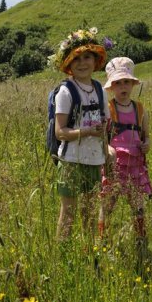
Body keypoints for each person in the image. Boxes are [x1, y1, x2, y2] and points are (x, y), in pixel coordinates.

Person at [52, 27, 113, 240]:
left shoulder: (100, 90)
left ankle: (89, 254)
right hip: (70, 160)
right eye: (76, 59)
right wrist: (87, 131)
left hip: (94, 160)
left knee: (88, 211)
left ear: (95, 60)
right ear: (69, 64)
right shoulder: (66, 91)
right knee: (68, 213)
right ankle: (63, 256)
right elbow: (60, 132)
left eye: (87, 57)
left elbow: (106, 123)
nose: (82, 63)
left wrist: (106, 150)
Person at [98, 57, 152, 244]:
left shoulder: (139, 109)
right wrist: (108, 149)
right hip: (114, 165)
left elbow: (147, 135)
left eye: (126, 82)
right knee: (108, 204)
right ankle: (102, 240)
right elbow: (101, 139)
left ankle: (141, 238)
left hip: (136, 164)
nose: (123, 87)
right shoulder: (108, 109)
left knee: (137, 204)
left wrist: (147, 144)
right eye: (118, 83)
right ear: (111, 87)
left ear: (133, 84)